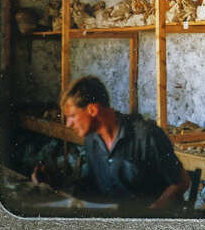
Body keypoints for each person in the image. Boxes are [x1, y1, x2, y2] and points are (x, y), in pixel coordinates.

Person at [36, 75, 190, 210]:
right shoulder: (92, 140)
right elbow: (91, 185)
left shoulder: (145, 135)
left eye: (72, 116)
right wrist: (53, 185)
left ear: (92, 110)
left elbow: (181, 182)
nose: (68, 124)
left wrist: (151, 214)